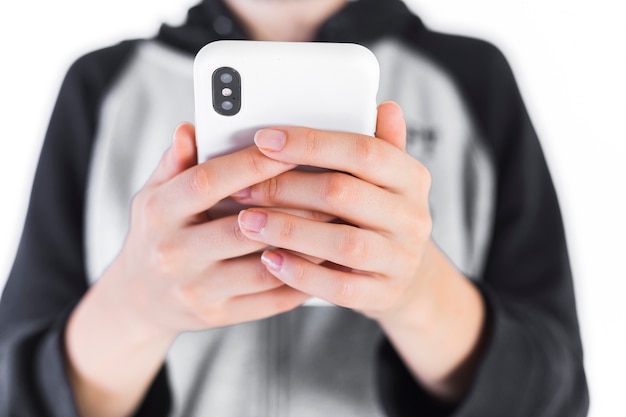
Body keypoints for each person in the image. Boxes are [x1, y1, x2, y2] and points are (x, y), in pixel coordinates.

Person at [0, 0, 589, 416]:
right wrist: (136, 305)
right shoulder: (104, 86)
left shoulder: (472, 78)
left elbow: (557, 398)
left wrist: (417, 293)